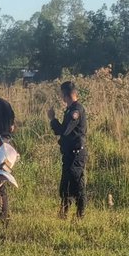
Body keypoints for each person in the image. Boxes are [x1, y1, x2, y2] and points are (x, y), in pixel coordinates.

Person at [47, 81, 88, 217]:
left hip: (76, 153)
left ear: (66, 95)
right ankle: (63, 213)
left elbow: (64, 130)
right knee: (65, 184)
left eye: (62, 95)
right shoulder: (70, 110)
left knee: (76, 183)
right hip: (69, 153)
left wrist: (53, 119)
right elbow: (61, 131)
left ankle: (80, 214)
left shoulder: (76, 111)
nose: (61, 98)